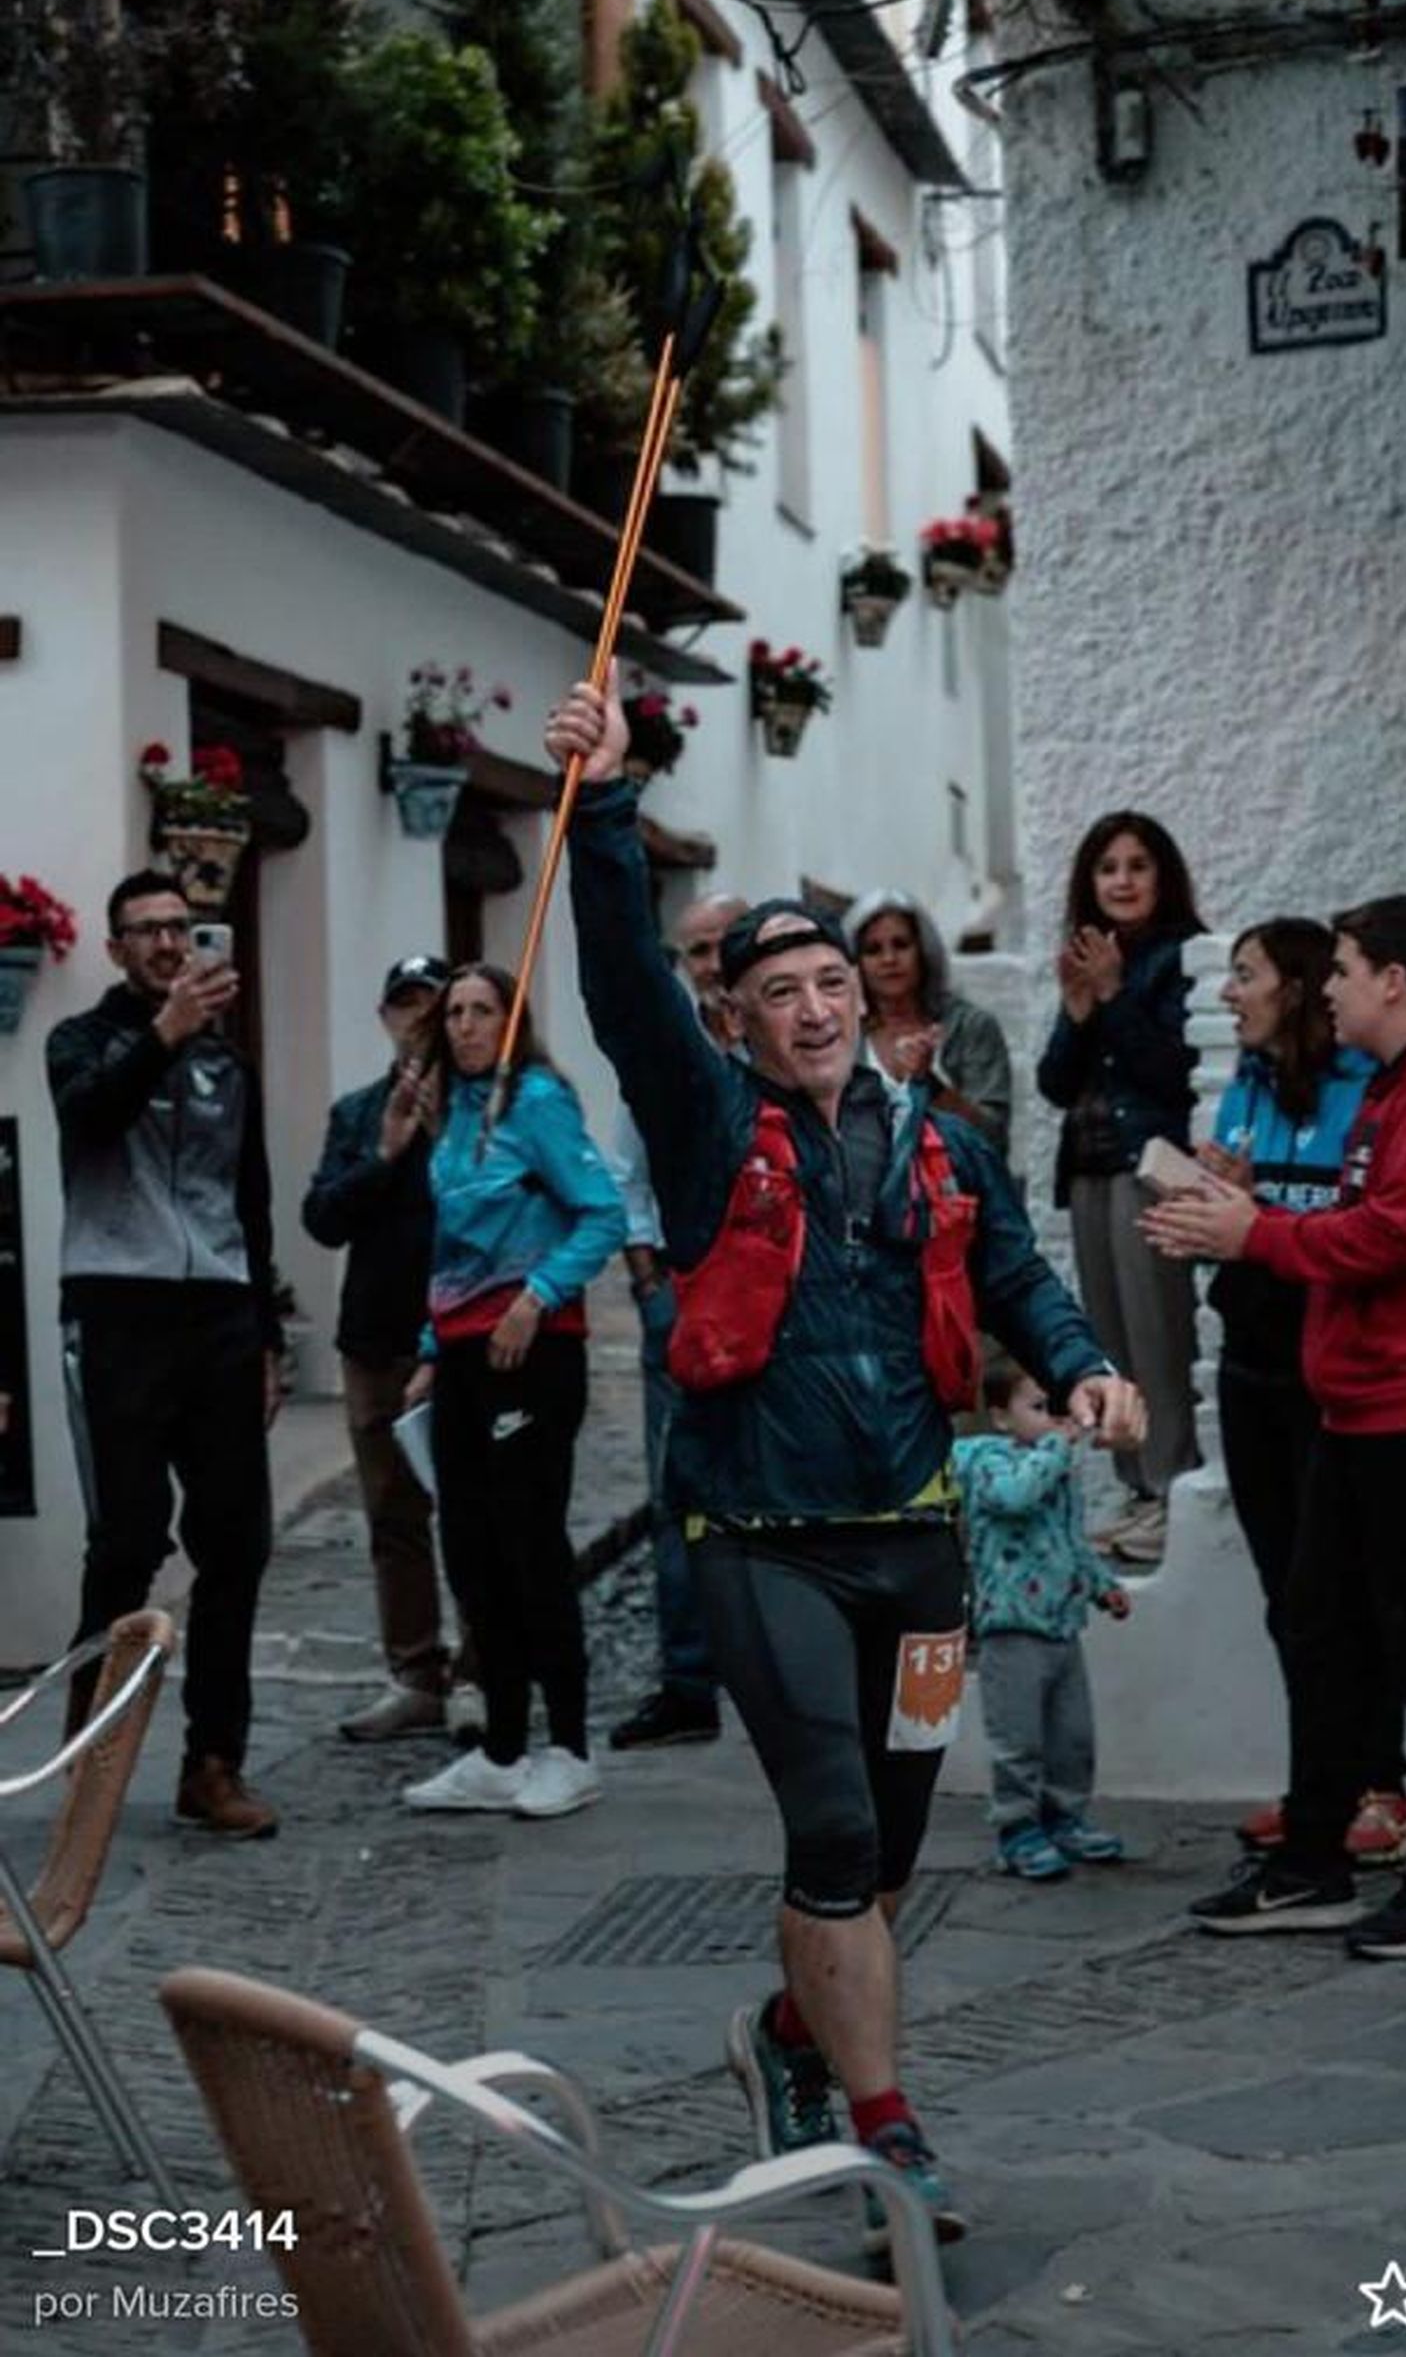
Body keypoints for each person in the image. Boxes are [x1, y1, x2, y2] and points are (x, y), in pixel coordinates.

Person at [549, 669, 1146, 2244]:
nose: (813, 1006)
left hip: (923, 1543)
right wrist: (607, 806)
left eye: (831, 982)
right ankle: (887, 2136)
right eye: (779, 991)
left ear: (866, 1002)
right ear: (739, 1021)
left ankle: (792, 2033)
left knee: (886, 1845)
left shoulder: (937, 1135)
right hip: (765, 1539)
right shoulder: (697, 1124)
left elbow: (1015, 1273)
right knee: (826, 1831)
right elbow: (619, 985)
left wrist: (1087, 1368)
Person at [1147, 896, 1406, 1959]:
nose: (1331, 986)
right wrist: (1253, 1215)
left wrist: (1255, 1232)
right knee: (1320, 1623)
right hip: (1366, 1404)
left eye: (1346, 968)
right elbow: (1364, 1224)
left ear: (1393, 981)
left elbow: (1394, 1236)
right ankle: (1314, 1858)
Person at [47, 870, 280, 1837]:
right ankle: (84, 1761)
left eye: (181, 928)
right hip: (120, 1312)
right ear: (116, 950)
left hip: (220, 1315)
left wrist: (268, 1329)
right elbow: (90, 1117)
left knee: (236, 1542)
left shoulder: (229, 1063)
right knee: (129, 1542)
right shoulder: (86, 1042)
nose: (168, 944)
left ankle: (214, 1762)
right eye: (146, 931)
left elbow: (251, 1200)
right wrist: (163, 1035)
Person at [1200, 919, 1406, 1866]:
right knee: (1287, 1590)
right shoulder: (1244, 1085)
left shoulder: (1364, 1088)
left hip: (1325, 1360)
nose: (1228, 994)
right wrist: (1218, 1196)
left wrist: (1261, 1214)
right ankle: (1316, 1785)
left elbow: (1351, 1226)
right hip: (1248, 1356)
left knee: (1348, 1587)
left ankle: (1382, 1787)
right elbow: (1246, 1218)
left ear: (1294, 985)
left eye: (1244, 976)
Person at [399, 965, 626, 1819]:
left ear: (512, 1019)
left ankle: (569, 1747)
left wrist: (537, 1300)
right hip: (461, 1356)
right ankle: (499, 1748)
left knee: (531, 1548)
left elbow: (601, 1212)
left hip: (529, 1352)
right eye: (453, 1012)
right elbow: (453, 1249)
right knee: (471, 1552)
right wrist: (429, 1348)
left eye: (481, 1010)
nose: (463, 1026)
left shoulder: (534, 1100)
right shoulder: (455, 1116)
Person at [302, 954, 482, 1743]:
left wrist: (443, 1136)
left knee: (474, 1511)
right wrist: (383, 1152)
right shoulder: (357, 1112)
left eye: (432, 1006)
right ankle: (414, 1672)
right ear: (385, 1018)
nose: (418, 1021)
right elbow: (322, 1219)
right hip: (375, 1338)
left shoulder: (485, 1108)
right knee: (392, 1517)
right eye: (404, 1005)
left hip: (461, 1338)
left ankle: (481, 1672)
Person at [1036, 811, 1203, 1563]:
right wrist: (1078, 1013)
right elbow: (1054, 1085)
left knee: (1159, 1333)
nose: (1124, 880)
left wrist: (1114, 998)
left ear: (1160, 877)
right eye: (1109, 868)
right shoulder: (1088, 959)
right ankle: (1139, 1489)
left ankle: (1172, 1488)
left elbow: (1173, 1073)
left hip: (1148, 1169)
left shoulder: (1179, 960)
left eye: (1138, 866)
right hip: (1091, 1169)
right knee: (1112, 1337)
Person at [608, 891, 748, 1754]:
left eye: (719, 947)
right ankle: (689, 1678)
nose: (707, 966)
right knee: (677, 1487)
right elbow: (625, 1171)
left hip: (770, 1285)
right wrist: (648, 1276)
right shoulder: (665, 1048)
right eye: (693, 952)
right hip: (683, 1287)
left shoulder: (783, 1029)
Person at [953, 1354, 1130, 1882]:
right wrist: (1058, 1443)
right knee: (1018, 1739)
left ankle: (1065, 1816)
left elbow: (1070, 1540)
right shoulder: (989, 1461)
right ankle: (1017, 1828)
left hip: (1060, 1624)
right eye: (1040, 1407)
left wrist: (1101, 1585)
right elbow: (1014, 1498)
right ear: (1003, 1415)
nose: (1056, 1418)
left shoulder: (1056, 1469)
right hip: (1011, 1626)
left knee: (1071, 1736)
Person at [842, 889, 1013, 1157]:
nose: (889, 959)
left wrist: (930, 1085)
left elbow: (993, 1137)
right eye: (873, 950)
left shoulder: (971, 1027)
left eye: (901, 945)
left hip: (957, 1191)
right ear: (856, 964)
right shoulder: (844, 1036)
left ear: (924, 950)